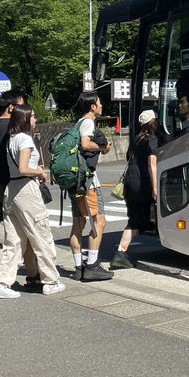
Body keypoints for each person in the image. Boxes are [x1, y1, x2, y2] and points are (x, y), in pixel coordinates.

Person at [0, 105, 64, 299]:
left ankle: (0, 283)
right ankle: (51, 281)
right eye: (33, 116)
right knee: (41, 234)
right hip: (26, 190)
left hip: (11, 191)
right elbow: (23, 168)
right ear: (24, 119)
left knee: (13, 241)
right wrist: (39, 171)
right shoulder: (24, 138)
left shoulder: (11, 140)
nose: (35, 119)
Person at [0, 90, 39, 291]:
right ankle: (32, 275)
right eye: (21, 105)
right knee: (25, 231)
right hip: (12, 185)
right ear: (11, 108)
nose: (23, 109)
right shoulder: (14, 129)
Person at [69, 91, 113, 282]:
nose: (101, 105)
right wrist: (103, 148)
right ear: (92, 107)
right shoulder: (88, 122)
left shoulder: (77, 123)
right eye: (99, 102)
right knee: (99, 222)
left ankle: (79, 267)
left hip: (76, 182)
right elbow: (86, 145)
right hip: (88, 183)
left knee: (78, 223)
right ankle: (93, 265)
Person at [110, 109, 158, 270]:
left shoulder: (136, 140)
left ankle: (121, 254)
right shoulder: (151, 140)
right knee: (135, 223)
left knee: (134, 220)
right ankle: (120, 254)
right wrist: (155, 188)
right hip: (141, 185)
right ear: (152, 123)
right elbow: (152, 165)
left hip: (130, 184)